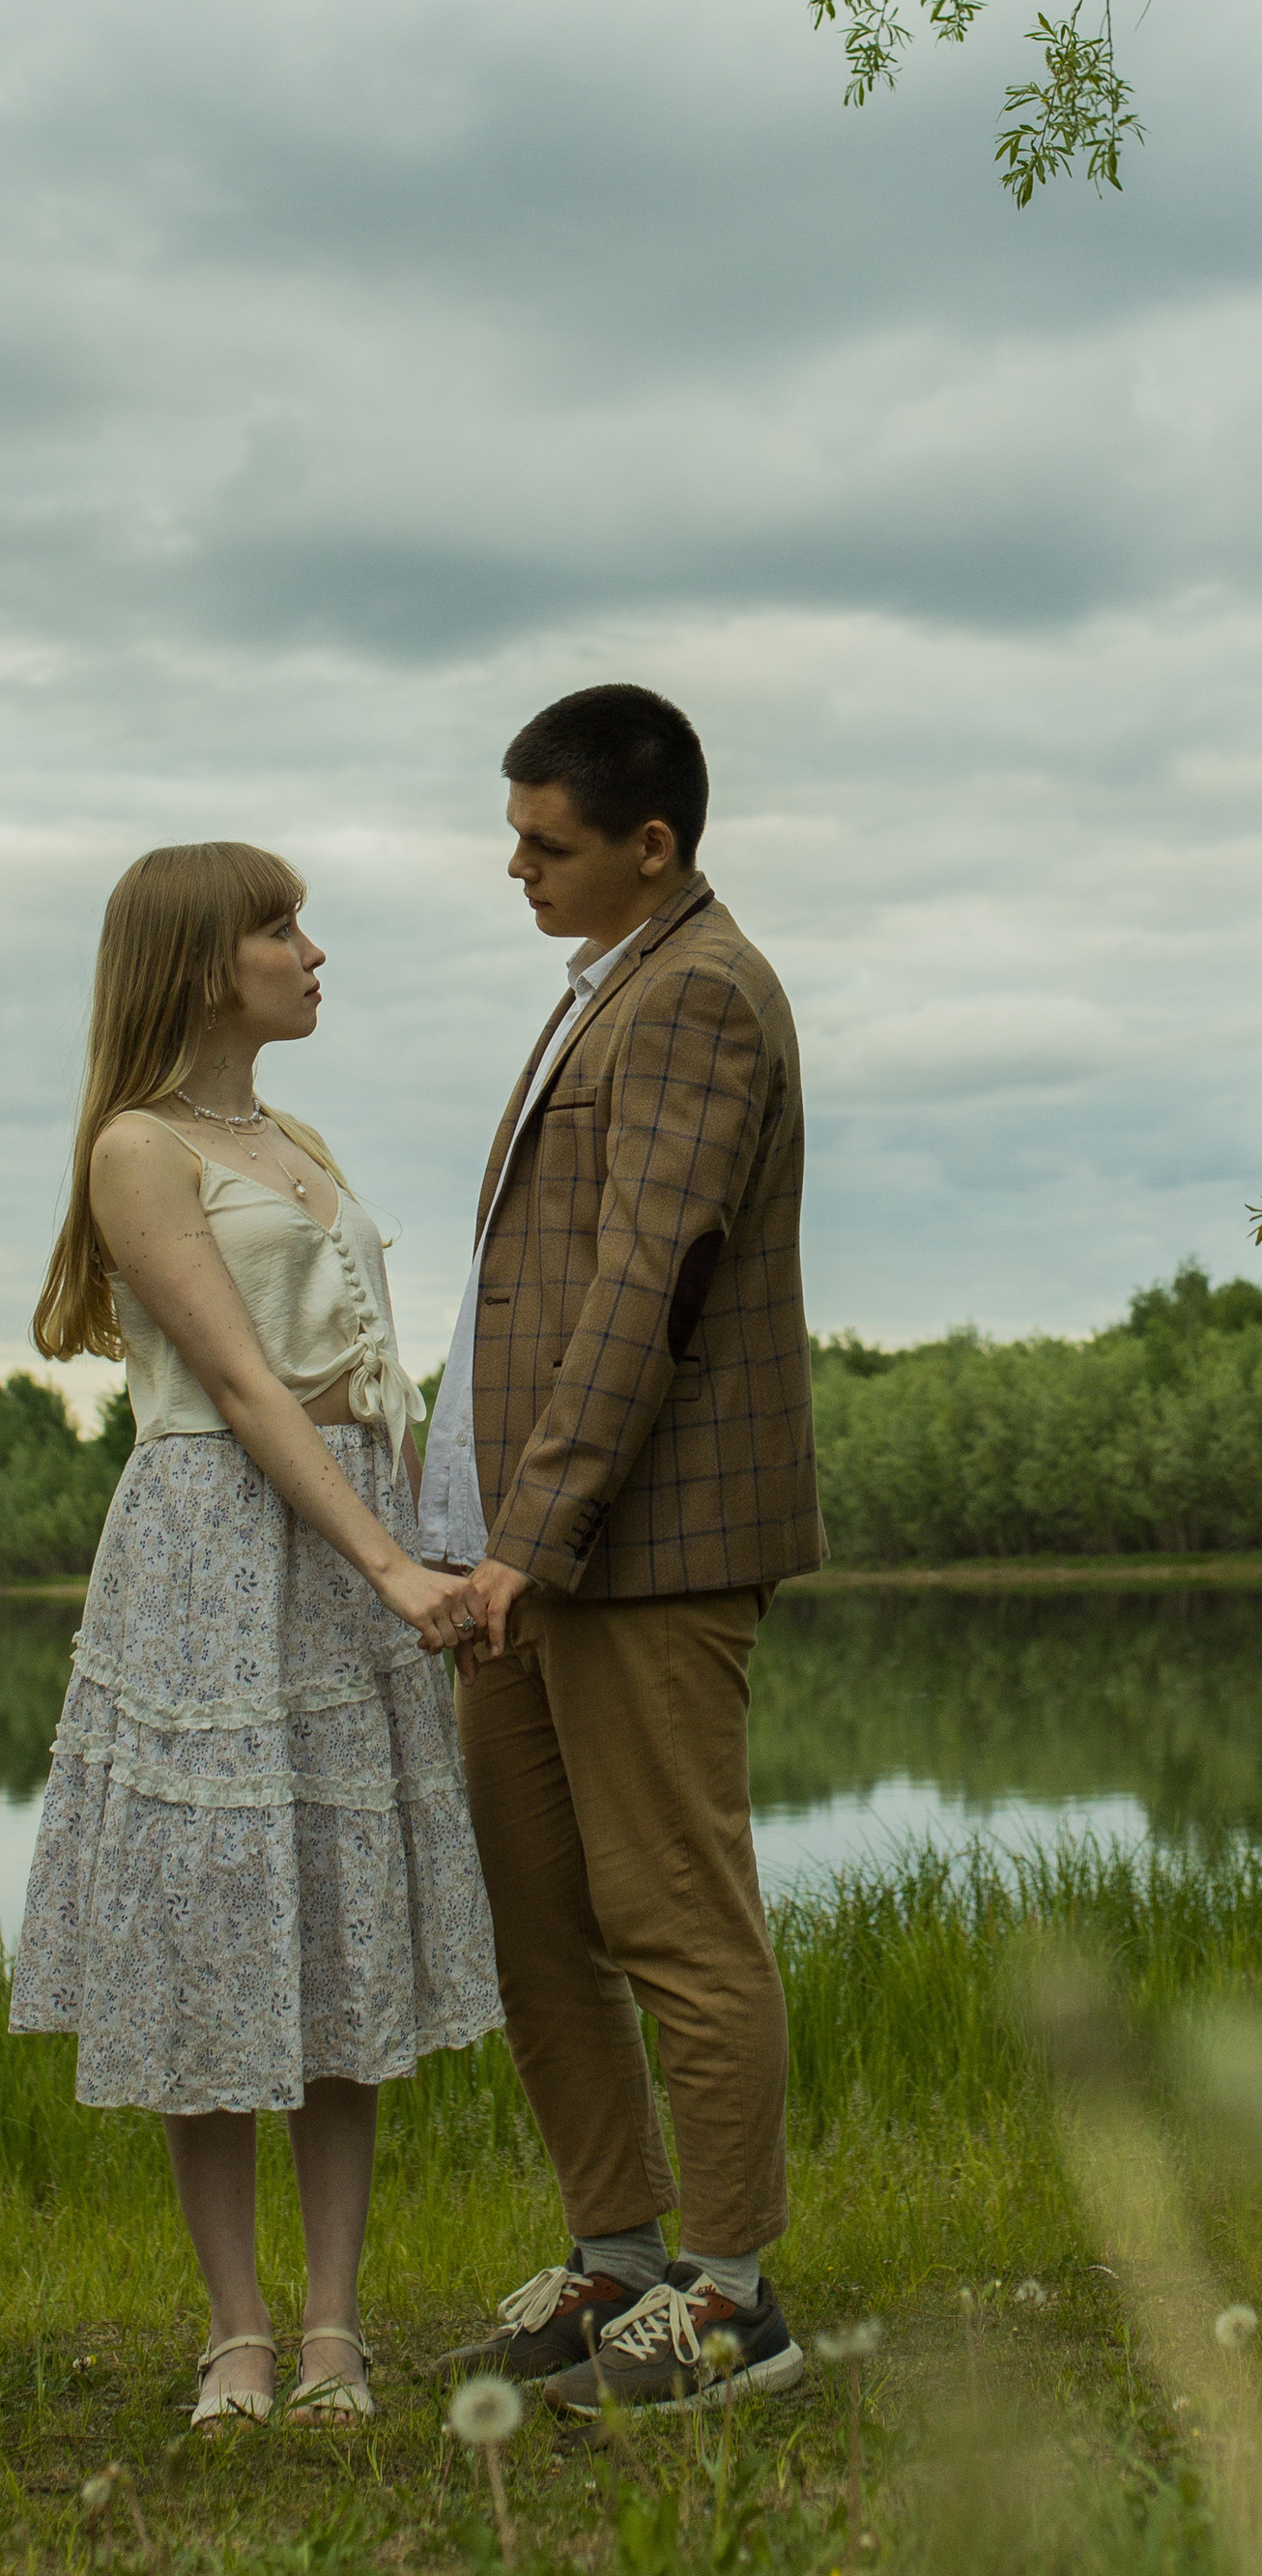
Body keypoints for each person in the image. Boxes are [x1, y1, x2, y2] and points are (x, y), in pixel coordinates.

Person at [11, 844, 502, 2428]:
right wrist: (389, 1567)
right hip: (222, 1549)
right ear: (202, 959)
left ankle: (336, 2331)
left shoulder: (294, 1137)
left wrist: (442, 1545)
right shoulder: (137, 1148)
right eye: (279, 927)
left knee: (336, 1934)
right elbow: (237, 1389)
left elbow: (379, 1383)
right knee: (219, 1943)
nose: (312, 950)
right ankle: (236, 2331)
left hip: (351, 1548)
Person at [418, 683, 821, 2413]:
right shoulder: (606, 989)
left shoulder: (700, 995)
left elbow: (646, 1291)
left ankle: (733, 2300)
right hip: (520, 1549)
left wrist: (539, 1530)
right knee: (539, 1917)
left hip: (628, 1548)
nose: (514, 869)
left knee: (672, 1910)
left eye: (545, 842)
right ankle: (618, 2261)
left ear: (649, 844)